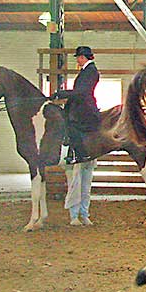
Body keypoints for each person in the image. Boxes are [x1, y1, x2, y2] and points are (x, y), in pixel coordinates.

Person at [53, 45, 100, 225]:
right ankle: (81, 213)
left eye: (79, 57)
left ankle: (74, 151)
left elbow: (81, 93)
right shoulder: (87, 71)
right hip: (81, 106)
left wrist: (63, 93)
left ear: (84, 57)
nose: (77, 60)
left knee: (69, 124)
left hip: (84, 110)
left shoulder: (91, 71)